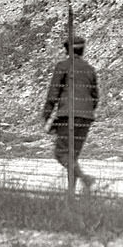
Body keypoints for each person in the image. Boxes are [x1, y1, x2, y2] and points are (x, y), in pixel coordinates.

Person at [43, 34, 99, 193]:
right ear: (83, 50)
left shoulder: (63, 66)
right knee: (72, 157)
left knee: (61, 153)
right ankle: (71, 194)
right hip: (86, 117)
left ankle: (84, 179)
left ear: (66, 50)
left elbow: (53, 92)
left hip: (68, 115)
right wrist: (86, 111)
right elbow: (95, 97)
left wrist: (47, 114)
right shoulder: (90, 69)